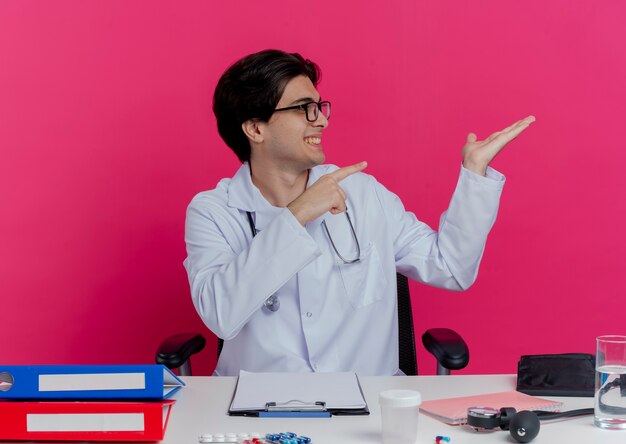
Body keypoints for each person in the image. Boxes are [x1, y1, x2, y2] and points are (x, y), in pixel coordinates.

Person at [184, 49, 534, 376]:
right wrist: (299, 213)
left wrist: (474, 172)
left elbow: (452, 269)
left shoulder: (363, 194)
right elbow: (220, 314)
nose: (321, 120)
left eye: (320, 107)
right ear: (255, 128)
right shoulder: (214, 212)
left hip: (367, 404)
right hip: (258, 409)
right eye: (304, 108)